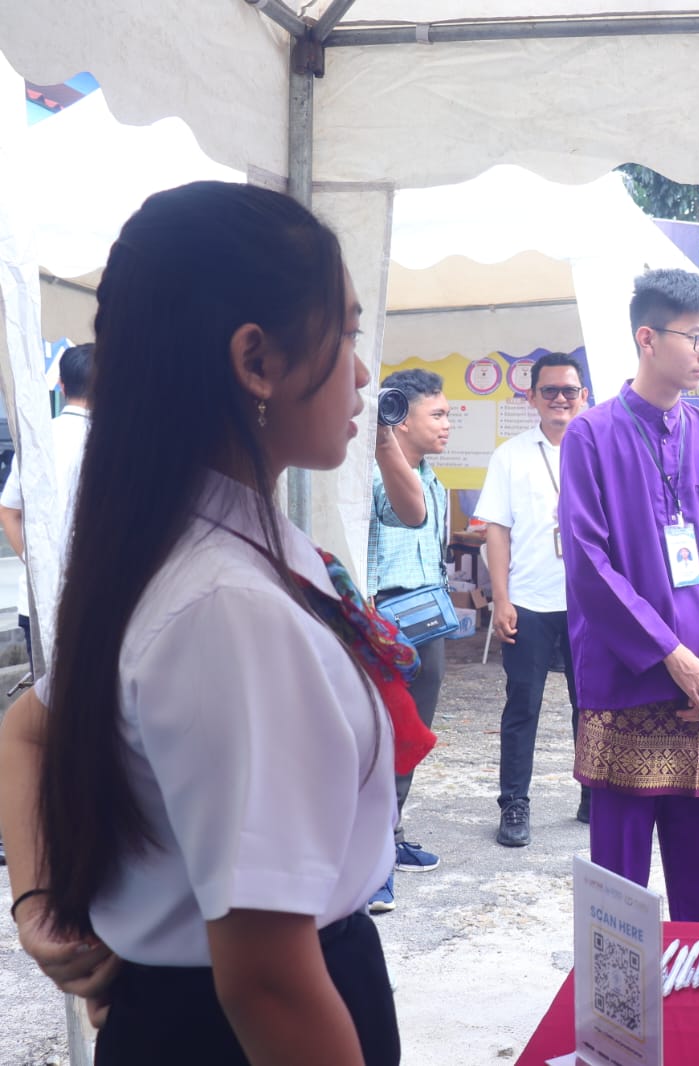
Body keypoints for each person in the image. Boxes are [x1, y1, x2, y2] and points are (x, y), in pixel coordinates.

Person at [0, 181, 409, 1062]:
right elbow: (266, 980)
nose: (363, 372)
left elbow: (26, 730)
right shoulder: (226, 607)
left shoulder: (184, 545)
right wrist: (38, 907)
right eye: (347, 332)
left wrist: (38, 907)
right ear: (256, 362)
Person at [559, 267, 699, 922]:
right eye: (694, 338)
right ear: (647, 338)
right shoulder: (592, 434)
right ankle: (618, 1020)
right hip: (631, 676)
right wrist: (671, 654)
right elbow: (589, 563)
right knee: (617, 883)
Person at [474, 351, 589, 845]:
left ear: (584, 396)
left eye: (569, 390)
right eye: (549, 391)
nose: (560, 399)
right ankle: (514, 804)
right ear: (532, 397)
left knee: (592, 705)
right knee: (523, 704)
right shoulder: (511, 454)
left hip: (590, 606)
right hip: (529, 602)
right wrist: (501, 599)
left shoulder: (599, 449)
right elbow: (496, 531)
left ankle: (594, 791)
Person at [365, 367, 452, 911]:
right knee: (379, 737)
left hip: (426, 620)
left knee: (411, 735)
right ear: (401, 419)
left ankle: (391, 840)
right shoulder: (378, 472)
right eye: (437, 415)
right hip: (383, 622)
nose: (447, 425)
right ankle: (371, 864)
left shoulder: (433, 476)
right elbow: (405, 511)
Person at [0, 342, 94, 678]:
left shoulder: (38, 439)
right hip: (96, 601)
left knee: (46, 704)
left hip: (37, 600)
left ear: (62, 386)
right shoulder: (113, 445)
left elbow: (8, 511)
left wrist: (35, 559)